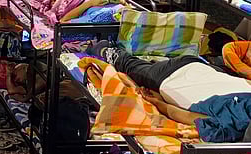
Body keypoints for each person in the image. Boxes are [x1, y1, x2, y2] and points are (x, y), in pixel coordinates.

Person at [90, 41, 251, 142]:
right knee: (132, 67)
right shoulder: (231, 126)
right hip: (174, 75)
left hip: (205, 68)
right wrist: (158, 103)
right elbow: (184, 116)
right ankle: (103, 48)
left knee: (144, 69)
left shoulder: (236, 118)